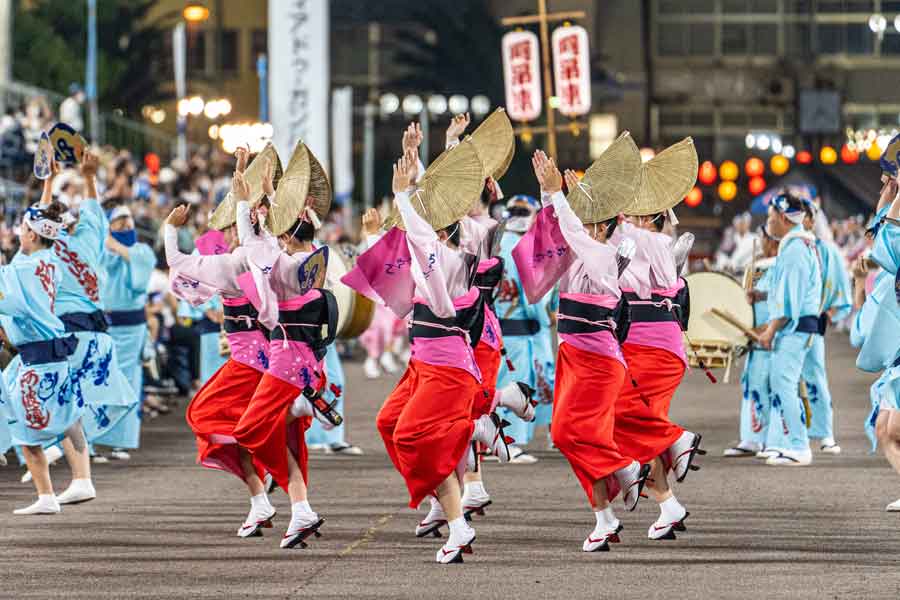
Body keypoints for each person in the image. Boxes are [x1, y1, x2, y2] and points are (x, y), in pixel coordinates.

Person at [371, 149, 510, 564]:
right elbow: (388, 273)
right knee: (389, 422)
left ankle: (458, 516)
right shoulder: (433, 254)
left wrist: (402, 196)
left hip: (448, 367)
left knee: (413, 436)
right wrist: (411, 185)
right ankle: (456, 471)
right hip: (424, 363)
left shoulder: (447, 259)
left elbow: (420, 238)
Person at [521, 144, 651, 552]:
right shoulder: (579, 247)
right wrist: (550, 194)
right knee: (570, 437)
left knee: (567, 433)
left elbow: (570, 229)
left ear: (602, 224)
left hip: (597, 362)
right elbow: (554, 230)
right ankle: (604, 517)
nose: (576, 219)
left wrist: (558, 194)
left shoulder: (603, 254)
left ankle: (625, 467)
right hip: (574, 356)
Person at [231, 142, 342, 550]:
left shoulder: (282, 268)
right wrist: (275, 198)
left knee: (248, 430)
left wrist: (246, 205)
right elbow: (277, 239)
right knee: (286, 439)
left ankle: (297, 409)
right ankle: (300, 511)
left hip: (284, 364)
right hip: (308, 365)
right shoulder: (315, 263)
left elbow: (252, 242)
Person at [610, 138, 704, 540]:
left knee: (619, 416)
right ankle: (668, 506)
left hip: (647, 342)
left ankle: (676, 440)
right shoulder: (662, 240)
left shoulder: (632, 238)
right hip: (661, 342)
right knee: (640, 424)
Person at [34, 152, 138, 499]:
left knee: (42, 392)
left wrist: (48, 181)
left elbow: (39, 216)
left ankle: (47, 448)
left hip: (66, 334)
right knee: (74, 402)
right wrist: (91, 177)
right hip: (96, 336)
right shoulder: (91, 235)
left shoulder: (50, 245)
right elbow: (93, 207)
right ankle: (78, 476)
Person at [2, 203, 82, 514]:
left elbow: (12, 303)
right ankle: (74, 481)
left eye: (23, 230)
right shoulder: (50, 261)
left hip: (36, 356)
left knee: (25, 428)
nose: (18, 234)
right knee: (65, 416)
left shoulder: (20, 271)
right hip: (51, 351)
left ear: (33, 235)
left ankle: (47, 495)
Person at [756, 193, 823, 467]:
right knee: (785, 384)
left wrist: (771, 330)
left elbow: (788, 300)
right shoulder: (799, 244)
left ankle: (799, 445)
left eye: (772, 219)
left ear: (784, 218)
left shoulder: (795, 248)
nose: (768, 224)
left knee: (784, 383)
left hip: (796, 327)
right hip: (801, 326)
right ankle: (789, 443)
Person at [494, 195, 556, 455]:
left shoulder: (496, 245)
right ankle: (510, 443)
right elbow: (533, 296)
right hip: (521, 330)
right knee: (517, 384)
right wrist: (547, 317)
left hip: (498, 328)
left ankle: (501, 440)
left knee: (503, 384)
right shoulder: (524, 248)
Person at [96, 205, 156, 457]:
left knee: (129, 382)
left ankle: (121, 440)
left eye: (128, 220)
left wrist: (111, 241)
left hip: (132, 329)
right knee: (99, 380)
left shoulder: (141, 250)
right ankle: (94, 440)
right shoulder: (100, 250)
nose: (125, 225)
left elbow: (139, 277)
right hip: (105, 326)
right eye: (119, 221)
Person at [800, 201, 851, 454]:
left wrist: (830, 312)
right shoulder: (784, 246)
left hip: (813, 320)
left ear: (812, 220)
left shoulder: (826, 251)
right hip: (785, 322)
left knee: (815, 376)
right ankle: (791, 436)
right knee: (784, 382)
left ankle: (825, 433)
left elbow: (840, 283)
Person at [724, 227, 779, 457]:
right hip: (754, 336)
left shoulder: (782, 264)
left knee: (772, 387)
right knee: (752, 385)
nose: (763, 242)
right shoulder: (758, 266)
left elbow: (782, 298)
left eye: (766, 238)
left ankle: (772, 440)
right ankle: (752, 438)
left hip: (773, 334)